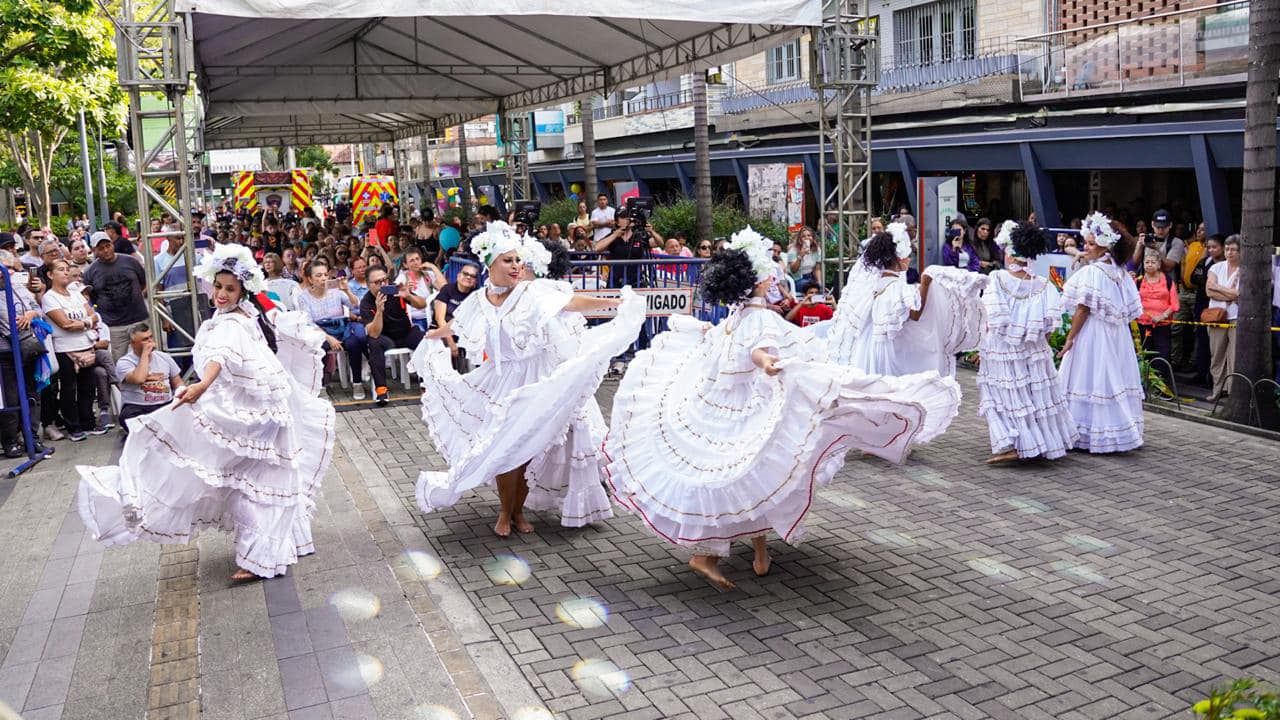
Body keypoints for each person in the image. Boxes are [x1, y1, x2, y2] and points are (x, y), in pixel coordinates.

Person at [604, 227, 961, 590]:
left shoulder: (736, 316)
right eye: (766, 275)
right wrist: (768, 363)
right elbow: (759, 350)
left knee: (755, 479)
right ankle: (710, 554)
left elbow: (730, 349)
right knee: (752, 475)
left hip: (726, 407)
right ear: (756, 282)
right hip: (748, 409)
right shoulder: (758, 318)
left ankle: (757, 554)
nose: (772, 278)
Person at [77, 243, 336, 581]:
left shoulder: (231, 323)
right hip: (258, 411)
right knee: (260, 483)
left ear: (242, 291)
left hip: (255, 415)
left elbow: (221, 357)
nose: (221, 294)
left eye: (229, 289)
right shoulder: (236, 316)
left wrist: (202, 385)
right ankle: (275, 549)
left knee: (253, 485)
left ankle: (262, 558)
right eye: (218, 286)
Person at [410, 221, 644, 537]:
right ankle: (507, 512)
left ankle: (517, 511)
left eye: (518, 260)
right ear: (490, 264)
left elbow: (571, 302)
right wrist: (435, 336)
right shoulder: (479, 300)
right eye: (508, 260)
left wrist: (615, 303)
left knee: (526, 449)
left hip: (536, 378)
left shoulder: (533, 292)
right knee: (505, 449)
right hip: (500, 380)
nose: (516, 266)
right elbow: (457, 324)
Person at [977, 223, 1078, 465]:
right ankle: (1037, 442)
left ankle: (1017, 444)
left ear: (1010, 253)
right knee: (1034, 395)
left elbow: (991, 318)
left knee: (1004, 395)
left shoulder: (997, 278)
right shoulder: (1043, 285)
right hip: (1033, 350)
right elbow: (1046, 328)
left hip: (1002, 347)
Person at [829, 223, 986, 378]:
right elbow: (915, 314)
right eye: (908, 255)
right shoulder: (897, 286)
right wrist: (925, 282)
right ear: (900, 258)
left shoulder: (876, 284)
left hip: (870, 349)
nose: (910, 259)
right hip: (890, 354)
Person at [1056, 212, 1144, 453]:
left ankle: (1086, 432)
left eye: (1092, 243)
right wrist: (1082, 254)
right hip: (1116, 334)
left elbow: (1083, 309)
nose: (1087, 246)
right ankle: (1116, 430)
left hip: (1094, 333)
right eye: (1087, 241)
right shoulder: (1118, 270)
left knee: (1091, 378)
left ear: (1106, 247)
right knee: (1109, 378)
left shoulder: (1094, 273)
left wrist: (1070, 338)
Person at [40, 259, 107, 441]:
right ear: (50, 274)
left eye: (67, 269)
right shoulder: (49, 298)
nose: (65, 273)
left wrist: (84, 323)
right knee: (69, 389)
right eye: (60, 270)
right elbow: (65, 324)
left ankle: (88, 422)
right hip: (65, 349)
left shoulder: (76, 294)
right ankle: (73, 426)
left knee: (88, 387)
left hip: (86, 345)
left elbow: (94, 315)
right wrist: (86, 322)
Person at [294, 261, 367, 400]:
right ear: (310, 279)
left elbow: (355, 304)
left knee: (354, 343)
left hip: (341, 327)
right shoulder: (303, 296)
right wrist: (328, 337)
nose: (323, 278)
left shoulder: (336, 291)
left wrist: (346, 290)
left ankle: (357, 382)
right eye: (319, 275)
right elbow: (308, 322)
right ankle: (321, 386)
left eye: (326, 275)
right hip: (319, 330)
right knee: (319, 347)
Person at [0, 250, 47, 456]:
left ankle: (32, 437)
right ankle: (10, 440)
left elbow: (38, 309)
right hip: (6, 354)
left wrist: (31, 313)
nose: (4, 274)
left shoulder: (19, 288)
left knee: (32, 394)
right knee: (10, 399)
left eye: (8, 269)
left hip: (29, 349)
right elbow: (10, 324)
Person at [360, 264, 427, 406]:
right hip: (385, 337)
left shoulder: (396, 290)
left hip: (405, 332)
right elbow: (374, 332)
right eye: (377, 282)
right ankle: (381, 390)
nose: (382, 285)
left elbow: (423, 305)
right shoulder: (366, 302)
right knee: (373, 342)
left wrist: (408, 295)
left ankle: (426, 383)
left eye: (384, 280)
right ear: (368, 284)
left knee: (424, 339)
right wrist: (379, 310)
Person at [83, 232, 149, 362]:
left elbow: (144, 282)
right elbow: (89, 296)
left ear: (112, 244)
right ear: (94, 251)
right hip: (113, 325)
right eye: (101, 248)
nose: (106, 250)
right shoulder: (90, 271)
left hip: (138, 318)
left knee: (147, 355)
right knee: (119, 361)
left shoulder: (130, 261)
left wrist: (136, 295)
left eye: (108, 246)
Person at [114, 322, 183, 435]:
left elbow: (178, 382)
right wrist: (145, 354)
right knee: (128, 418)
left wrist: (180, 395)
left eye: (151, 337)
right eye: (145, 339)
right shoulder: (124, 362)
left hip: (165, 404)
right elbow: (139, 379)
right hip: (138, 407)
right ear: (133, 344)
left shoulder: (164, 357)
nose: (150, 341)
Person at [1204, 235, 1241, 402]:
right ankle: (1217, 390)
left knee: (1234, 355)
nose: (1229, 252)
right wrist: (1230, 293)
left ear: (1240, 251)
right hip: (1216, 316)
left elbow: (1240, 295)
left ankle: (1233, 392)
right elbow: (1209, 290)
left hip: (1236, 317)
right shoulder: (1216, 267)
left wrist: (1220, 289)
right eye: (1227, 249)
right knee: (1217, 354)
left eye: (1233, 249)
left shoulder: (1244, 270)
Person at [1135, 247, 1179, 381]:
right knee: (1145, 353)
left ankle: (1162, 386)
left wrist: (1162, 316)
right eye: (1147, 262)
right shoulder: (1138, 281)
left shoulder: (1169, 281)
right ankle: (1146, 384)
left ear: (1159, 264)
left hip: (1162, 324)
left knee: (1163, 354)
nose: (1149, 265)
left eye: (1153, 262)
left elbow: (1175, 305)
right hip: (1142, 324)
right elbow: (1131, 301)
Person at [1187, 234, 1224, 387]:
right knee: (1202, 339)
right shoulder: (1205, 261)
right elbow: (1193, 278)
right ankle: (1202, 373)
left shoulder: (1226, 265)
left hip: (1220, 306)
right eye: (1208, 247)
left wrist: (1212, 284)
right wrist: (1209, 282)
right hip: (1202, 305)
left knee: (1218, 344)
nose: (1211, 250)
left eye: (1214, 247)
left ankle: (1216, 378)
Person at [430, 259, 480, 372]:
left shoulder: (476, 295)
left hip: (463, 332)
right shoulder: (447, 290)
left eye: (472, 276)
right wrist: (451, 343)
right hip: (440, 330)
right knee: (437, 345)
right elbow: (439, 318)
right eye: (465, 273)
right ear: (458, 276)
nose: (468, 277)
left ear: (475, 282)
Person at [394, 247, 446, 330]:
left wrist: (433, 267)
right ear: (405, 265)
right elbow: (395, 296)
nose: (416, 262)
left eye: (417, 259)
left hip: (431, 317)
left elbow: (444, 288)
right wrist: (406, 291)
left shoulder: (428, 275)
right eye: (412, 260)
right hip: (413, 319)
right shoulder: (402, 278)